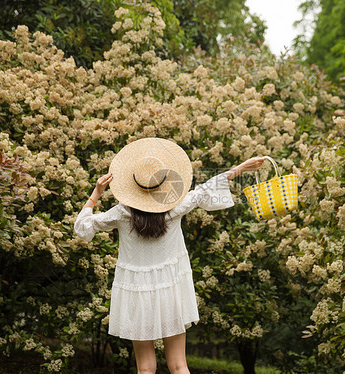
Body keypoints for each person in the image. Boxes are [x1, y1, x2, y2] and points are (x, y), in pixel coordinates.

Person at [74, 137, 265, 374]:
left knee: (145, 368)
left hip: (137, 293)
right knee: (179, 365)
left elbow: (82, 228)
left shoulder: (121, 213)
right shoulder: (176, 207)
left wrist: (96, 192)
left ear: (133, 186)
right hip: (171, 291)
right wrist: (242, 168)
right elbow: (206, 188)